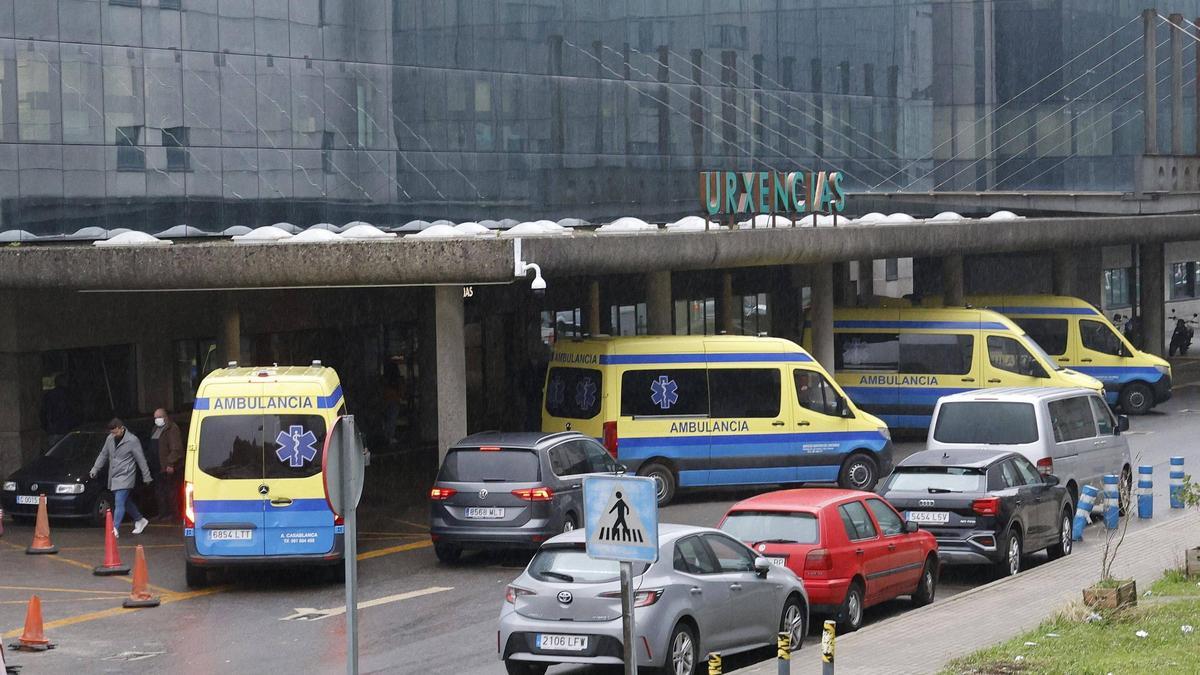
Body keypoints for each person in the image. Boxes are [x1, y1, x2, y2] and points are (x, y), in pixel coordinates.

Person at [89, 418, 152, 538]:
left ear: (121, 428)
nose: (113, 435)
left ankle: (115, 528)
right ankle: (140, 519)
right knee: (125, 501)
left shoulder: (132, 440)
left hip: (126, 475)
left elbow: (141, 459)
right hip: (114, 475)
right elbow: (103, 454)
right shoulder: (110, 439)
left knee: (119, 502)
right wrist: (95, 469)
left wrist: (146, 476)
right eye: (111, 432)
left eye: (115, 432)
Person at [150, 408, 184, 523]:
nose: (156, 420)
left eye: (158, 417)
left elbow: (177, 449)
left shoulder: (172, 429)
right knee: (159, 491)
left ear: (165, 417)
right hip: (157, 466)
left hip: (168, 467)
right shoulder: (155, 429)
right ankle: (162, 513)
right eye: (155, 418)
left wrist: (171, 463)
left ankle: (174, 515)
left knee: (171, 491)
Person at [40, 374, 74, 448]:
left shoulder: (48, 395)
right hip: (66, 430)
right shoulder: (68, 395)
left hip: (53, 431)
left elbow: (43, 413)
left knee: (53, 452)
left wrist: (46, 427)